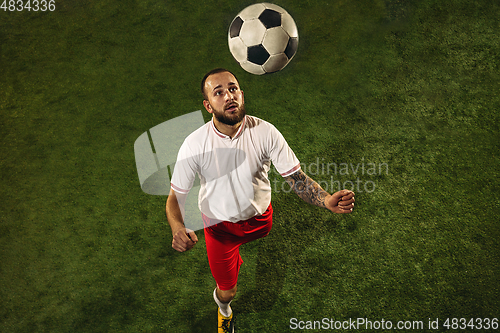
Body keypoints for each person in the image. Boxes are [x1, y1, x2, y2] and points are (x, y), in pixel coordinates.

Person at [165, 68, 355, 333]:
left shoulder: (265, 132)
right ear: (208, 105)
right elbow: (176, 196)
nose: (228, 96)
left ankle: (238, 259)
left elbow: (296, 178)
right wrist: (177, 227)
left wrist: (325, 199)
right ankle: (224, 311)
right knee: (228, 292)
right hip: (219, 229)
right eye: (218, 92)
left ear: (242, 94)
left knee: (262, 236)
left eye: (233, 89)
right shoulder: (194, 144)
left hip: (260, 221)